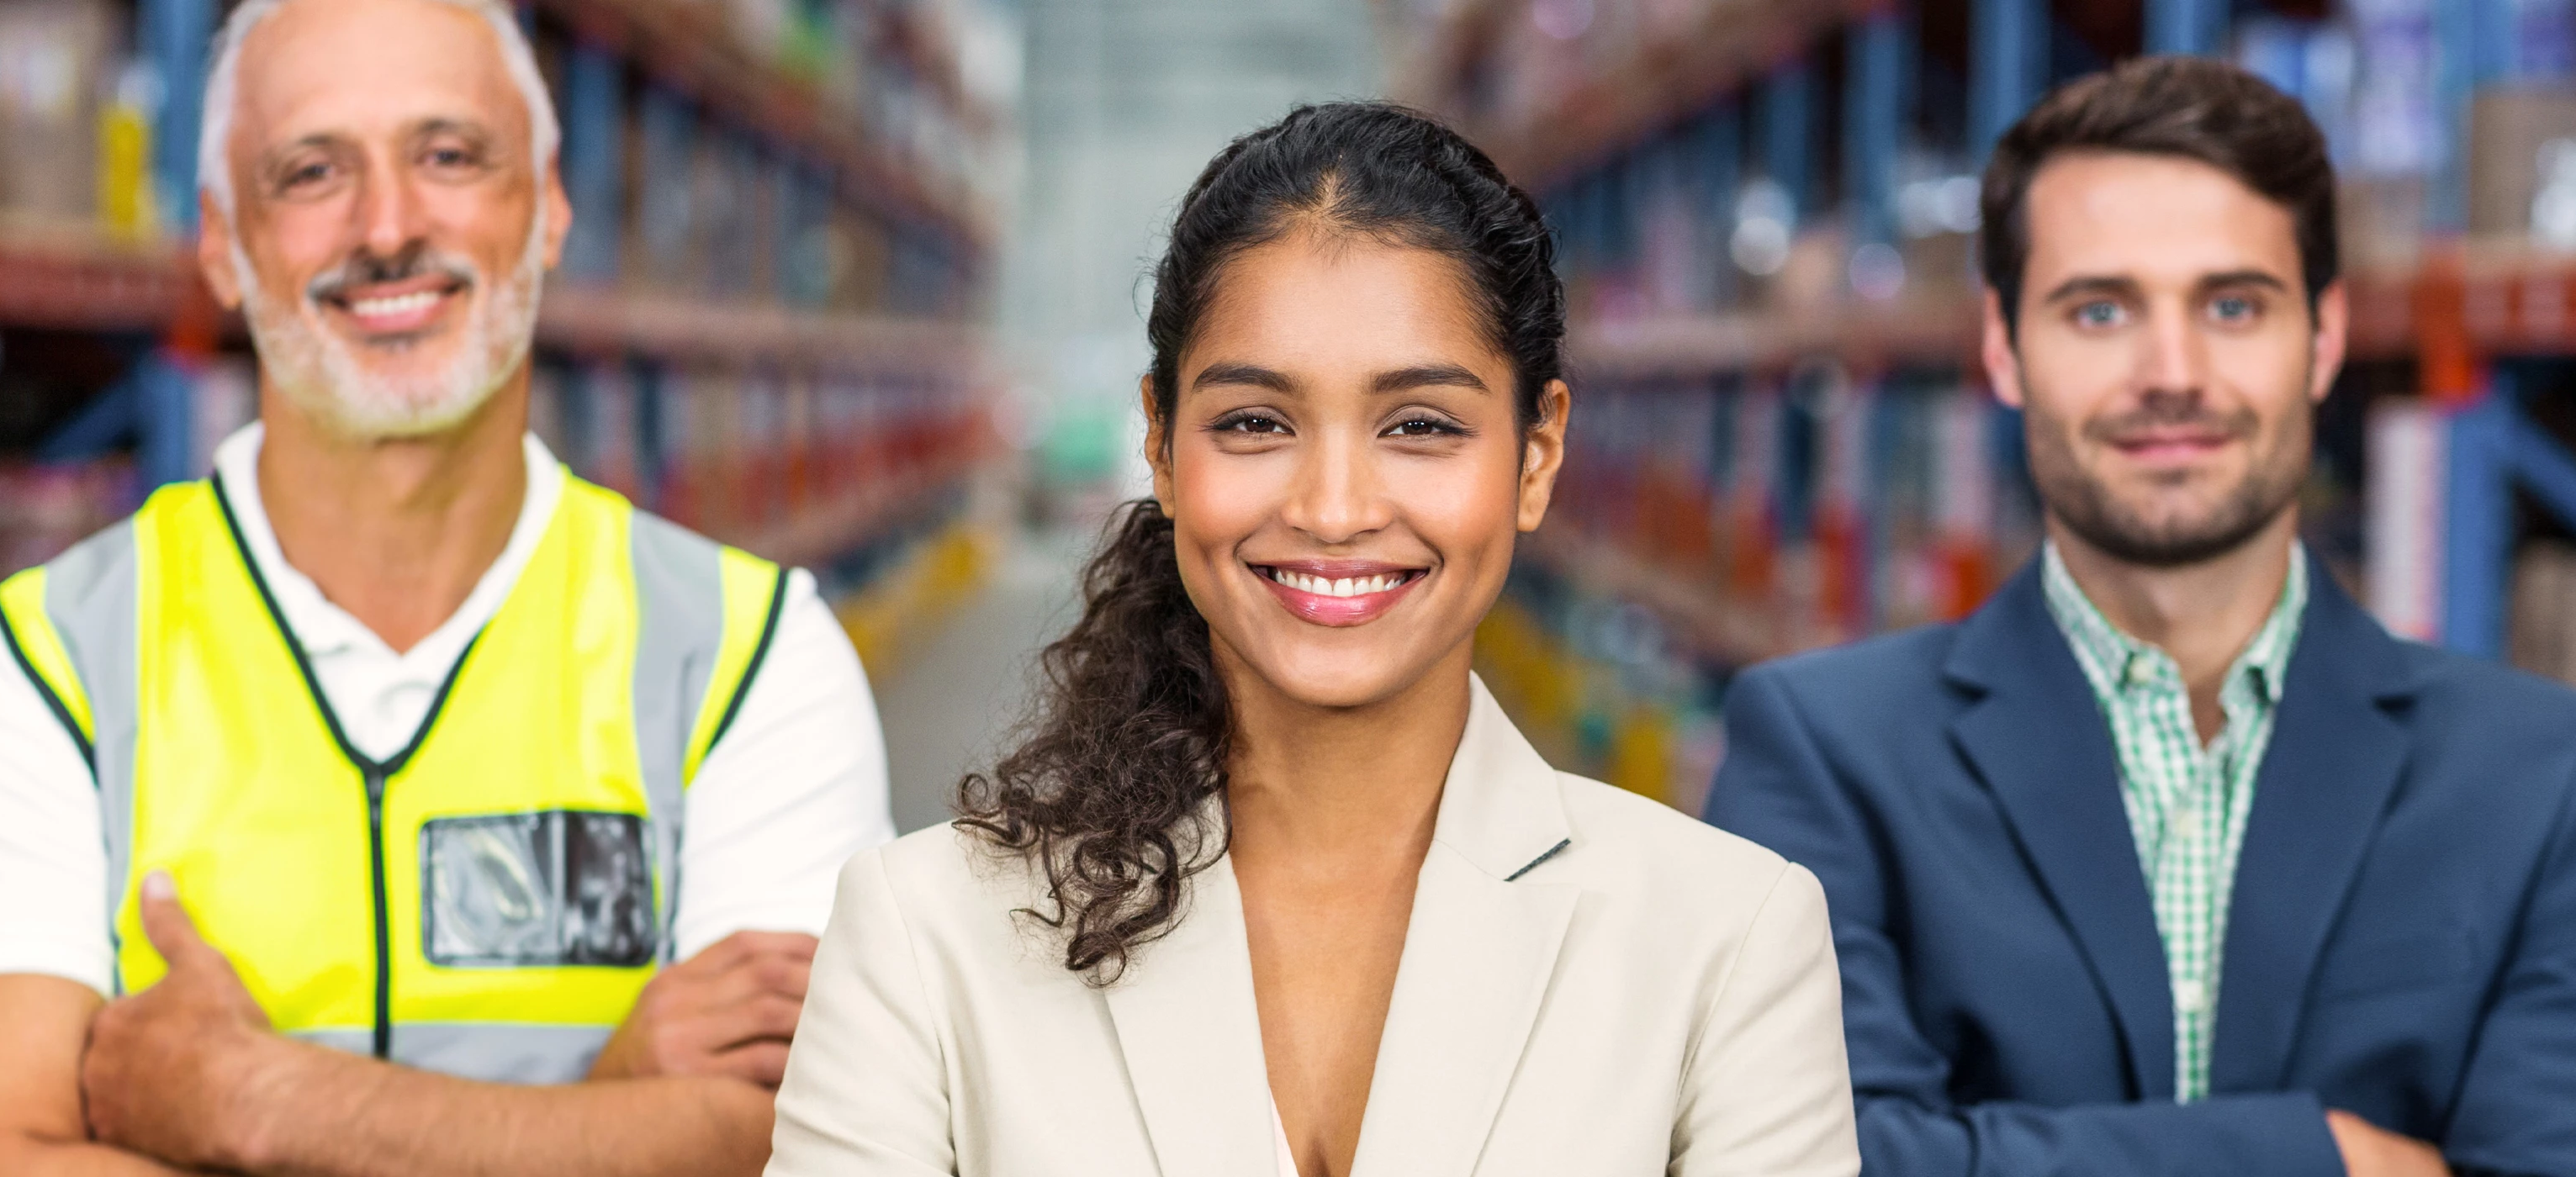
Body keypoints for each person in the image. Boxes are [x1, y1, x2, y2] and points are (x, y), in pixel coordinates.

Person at [0, 1, 895, 1174]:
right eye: (312, 171)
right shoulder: (46, 668)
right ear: (220, 240)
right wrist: (607, 1111)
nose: (389, 225)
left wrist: (260, 1103)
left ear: (551, 204)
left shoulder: (748, 660)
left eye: (450, 155)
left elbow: (798, 1147)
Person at [762, 102, 1859, 1177]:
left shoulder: (1730, 942)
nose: (1334, 508)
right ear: (1159, 442)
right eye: (1255, 423)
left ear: (1535, 458)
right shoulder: (923, 936)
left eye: (1420, 425)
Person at [1705, 55, 2576, 1177]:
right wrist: (2322, 1157)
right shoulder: (1823, 752)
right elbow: (1798, 1164)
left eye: (2232, 306)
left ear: (2322, 339)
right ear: (2004, 347)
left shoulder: (2546, 779)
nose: (2170, 373)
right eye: (2100, 309)